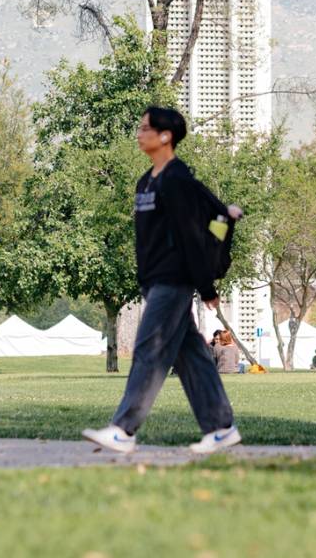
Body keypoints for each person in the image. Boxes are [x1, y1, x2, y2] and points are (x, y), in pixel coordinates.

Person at [83, 104, 242, 456]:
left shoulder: (178, 180)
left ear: (165, 136)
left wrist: (206, 287)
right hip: (153, 280)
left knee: (148, 349)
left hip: (175, 279)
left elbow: (194, 235)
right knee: (191, 356)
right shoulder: (147, 181)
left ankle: (124, 430)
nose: (139, 133)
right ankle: (221, 428)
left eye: (145, 128)